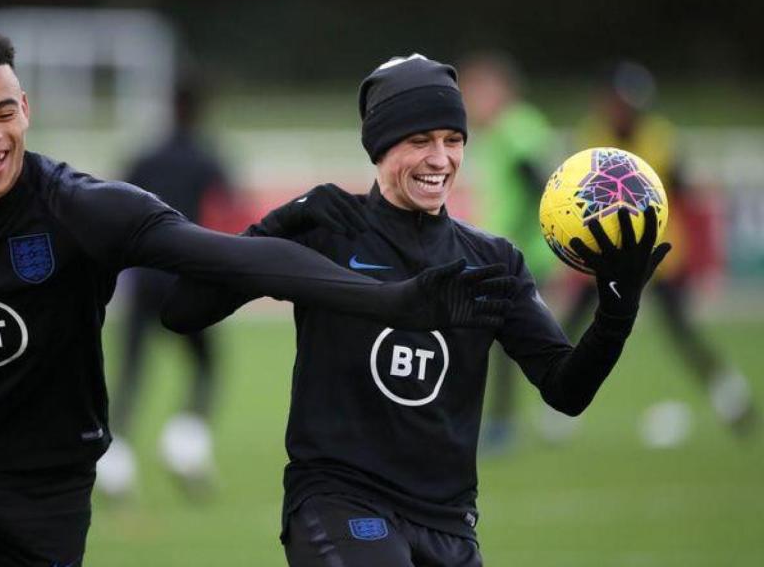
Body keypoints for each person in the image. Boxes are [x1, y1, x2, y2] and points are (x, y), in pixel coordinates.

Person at [0, 30, 515, 566]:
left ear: (25, 107)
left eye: (4, 112)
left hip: (47, 487)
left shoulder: (84, 209)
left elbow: (239, 257)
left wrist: (392, 300)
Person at [161, 54, 670, 566]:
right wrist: (274, 227)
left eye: (453, 140)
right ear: (380, 148)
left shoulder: (492, 261)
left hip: (448, 524)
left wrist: (615, 314)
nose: (440, 159)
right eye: (419, 141)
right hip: (338, 503)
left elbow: (567, 390)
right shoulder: (326, 231)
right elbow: (183, 310)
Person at [563, 60, 756, 435]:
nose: (623, 109)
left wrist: (703, 260)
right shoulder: (593, 136)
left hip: (658, 254)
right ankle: (559, 405)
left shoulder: (659, 138)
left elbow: (686, 195)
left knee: (681, 332)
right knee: (571, 329)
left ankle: (728, 393)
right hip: (603, 254)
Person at [98, 77, 233, 500]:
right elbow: (228, 212)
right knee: (207, 365)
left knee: (132, 374)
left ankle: (114, 462)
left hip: (143, 278)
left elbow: (112, 206)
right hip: (185, 281)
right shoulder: (207, 157)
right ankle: (184, 445)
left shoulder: (144, 157)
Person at [458, 52, 565, 452]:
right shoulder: (510, 127)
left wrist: (514, 240)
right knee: (503, 339)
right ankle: (511, 422)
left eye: (475, 92)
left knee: (498, 337)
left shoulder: (515, 126)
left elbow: (538, 184)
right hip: (511, 252)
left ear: (498, 89)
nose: (469, 102)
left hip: (519, 255)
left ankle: (505, 425)